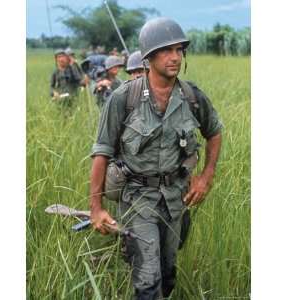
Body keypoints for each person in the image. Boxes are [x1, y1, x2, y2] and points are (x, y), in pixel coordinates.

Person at [89, 17, 223, 300]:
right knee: (148, 282)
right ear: (149, 57)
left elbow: (214, 132)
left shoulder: (192, 97)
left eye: (179, 50)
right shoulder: (123, 98)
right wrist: (96, 207)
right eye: (166, 50)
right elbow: (101, 152)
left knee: (168, 273)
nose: (174, 57)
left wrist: (205, 178)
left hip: (176, 199)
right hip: (138, 199)